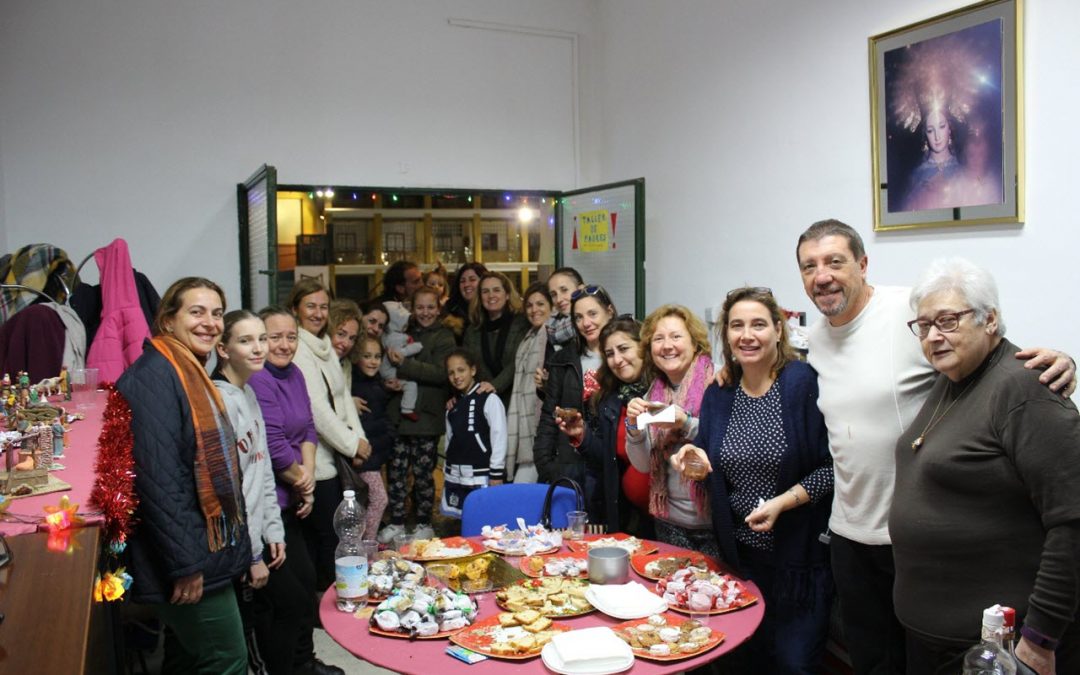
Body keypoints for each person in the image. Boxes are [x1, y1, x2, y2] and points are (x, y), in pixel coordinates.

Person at [795, 218, 1076, 675]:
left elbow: (998, 360)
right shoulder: (820, 340)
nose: (932, 334)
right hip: (853, 534)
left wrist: (1060, 361)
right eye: (809, 266)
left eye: (834, 261)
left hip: (929, 569)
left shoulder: (910, 311)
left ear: (863, 265)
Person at [891, 258, 1080, 675]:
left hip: (998, 653)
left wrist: (1041, 639)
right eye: (923, 326)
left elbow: (1072, 521)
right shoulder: (951, 379)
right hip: (934, 639)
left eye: (948, 321)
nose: (934, 337)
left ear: (990, 320)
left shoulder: (1026, 388)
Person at [673, 287, 833, 673]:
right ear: (725, 335)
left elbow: (833, 468)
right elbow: (708, 456)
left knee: (794, 664)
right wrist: (692, 457)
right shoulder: (720, 393)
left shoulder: (802, 384)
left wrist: (783, 502)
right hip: (740, 560)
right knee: (743, 661)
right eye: (737, 325)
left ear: (779, 330)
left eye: (759, 324)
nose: (747, 334)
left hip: (800, 561)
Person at [108, 277, 249, 674]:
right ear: (168, 320)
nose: (210, 322)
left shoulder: (186, 370)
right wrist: (185, 566)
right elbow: (159, 484)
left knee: (189, 658)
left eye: (217, 313)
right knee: (227, 660)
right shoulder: (154, 377)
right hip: (184, 559)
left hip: (198, 550)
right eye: (197, 312)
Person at [249, 306, 340, 675]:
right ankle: (284, 667)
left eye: (291, 337)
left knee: (305, 588)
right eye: (275, 337)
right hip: (270, 504)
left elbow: (308, 431)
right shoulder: (258, 379)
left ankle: (304, 660)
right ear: (259, 340)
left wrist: (308, 479)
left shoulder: (296, 374)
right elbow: (271, 442)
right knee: (285, 598)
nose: (284, 345)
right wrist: (300, 480)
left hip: (296, 496)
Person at [211, 310, 294, 675]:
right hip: (237, 548)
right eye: (246, 341)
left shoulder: (248, 393)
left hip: (256, 537)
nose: (259, 348)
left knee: (272, 616)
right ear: (223, 348)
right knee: (246, 641)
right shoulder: (220, 400)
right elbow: (229, 490)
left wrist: (273, 530)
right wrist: (252, 553)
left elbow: (261, 474)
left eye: (262, 338)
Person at [288, 279, 370, 590]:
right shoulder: (298, 348)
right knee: (325, 535)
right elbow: (317, 409)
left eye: (323, 306)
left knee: (334, 533)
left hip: (335, 456)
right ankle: (323, 600)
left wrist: (360, 441)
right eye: (310, 306)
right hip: (316, 460)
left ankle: (331, 592)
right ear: (296, 308)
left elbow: (344, 397)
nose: (318, 312)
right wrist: (352, 444)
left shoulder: (324, 347)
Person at [624, 304, 719, 559]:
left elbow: (727, 443)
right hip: (668, 521)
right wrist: (633, 427)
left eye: (676, 336)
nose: (667, 345)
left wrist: (686, 422)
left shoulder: (718, 383)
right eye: (658, 338)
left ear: (695, 342)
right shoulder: (652, 394)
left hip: (715, 522)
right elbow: (643, 465)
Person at [557, 316, 653, 536]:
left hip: (667, 516)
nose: (617, 360)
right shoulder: (609, 399)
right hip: (628, 516)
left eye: (623, 349)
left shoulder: (662, 389)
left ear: (643, 347)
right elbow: (607, 460)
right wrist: (582, 437)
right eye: (610, 354)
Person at [378, 285, 455, 543]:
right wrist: (390, 381)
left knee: (424, 474)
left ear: (439, 308)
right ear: (411, 308)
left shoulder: (444, 337)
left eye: (430, 307)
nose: (425, 312)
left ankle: (423, 521)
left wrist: (405, 365)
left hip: (427, 419)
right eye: (419, 307)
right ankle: (398, 521)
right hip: (399, 418)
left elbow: (441, 373)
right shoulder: (401, 332)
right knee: (397, 473)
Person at [534, 285, 617, 506]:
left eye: (592, 314)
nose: (586, 323)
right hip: (570, 465)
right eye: (578, 317)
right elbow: (548, 415)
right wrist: (546, 464)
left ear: (609, 312)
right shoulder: (564, 359)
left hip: (612, 464)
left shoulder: (623, 357)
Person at [327, 300, 388, 543]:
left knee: (363, 500)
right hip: (353, 454)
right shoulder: (358, 383)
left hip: (362, 451)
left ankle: (362, 544)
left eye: (351, 338)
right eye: (340, 334)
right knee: (374, 499)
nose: (345, 342)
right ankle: (364, 545)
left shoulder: (351, 371)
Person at [442, 348, 507, 518]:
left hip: (482, 475)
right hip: (456, 475)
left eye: (461, 370)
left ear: (473, 370)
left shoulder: (489, 399)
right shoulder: (452, 407)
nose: (456, 376)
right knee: (462, 522)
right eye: (451, 373)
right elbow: (450, 440)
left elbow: (499, 437)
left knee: (485, 521)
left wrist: (496, 473)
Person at [505, 283, 553, 483]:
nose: (535, 310)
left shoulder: (553, 336)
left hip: (542, 424)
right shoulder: (528, 338)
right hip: (527, 425)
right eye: (530, 305)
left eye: (541, 304)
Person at [350, 335, 397, 539]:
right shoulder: (356, 388)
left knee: (369, 500)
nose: (373, 361)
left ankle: (366, 544)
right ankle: (366, 546)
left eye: (377, 356)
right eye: (367, 356)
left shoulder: (375, 384)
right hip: (364, 456)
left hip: (374, 455)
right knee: (379, 499)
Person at [462, 271, 529, 407]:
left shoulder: (522, 324)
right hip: (483, 401)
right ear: (480, 297)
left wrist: (495, 385)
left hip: (516, 400)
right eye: (485, 291)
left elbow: (519, 361)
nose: (491, 295)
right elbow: (466, 365)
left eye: (497, 290)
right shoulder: (472, 331)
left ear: (508, 294)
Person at [443, 262, 487, 342]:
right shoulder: (449, 312)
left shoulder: (492, 310)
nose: (466, 284)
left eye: (472, 279)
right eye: (462, 281)